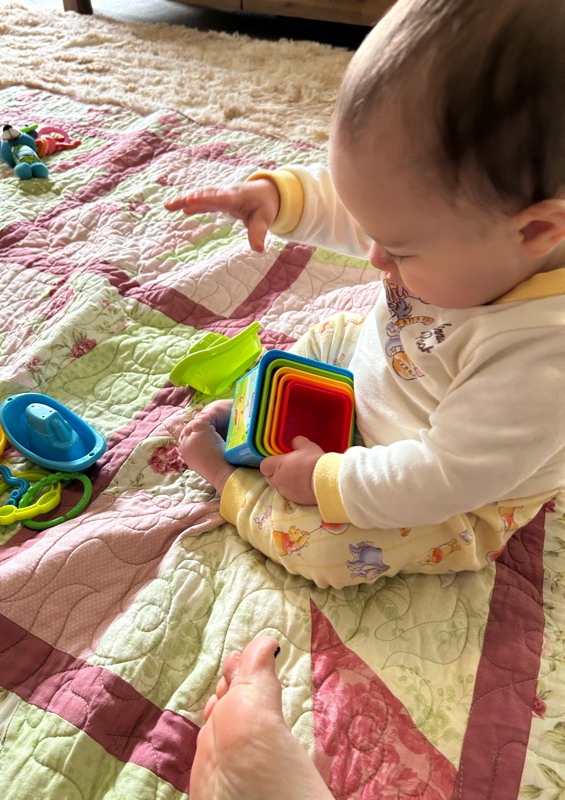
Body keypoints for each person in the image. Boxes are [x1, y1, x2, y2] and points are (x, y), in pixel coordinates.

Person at [168, 0, 565, 795]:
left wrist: (326, 480)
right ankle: (279, 423)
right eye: (372, 229)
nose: (374, 253)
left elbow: (445, 477)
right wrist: (281, 199)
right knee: (321, 339)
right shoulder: (469, 230)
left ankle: (232, 486)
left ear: (536, 234)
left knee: (331, 552)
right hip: (393, 369)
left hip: (455, 487)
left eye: (401, 249)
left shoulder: (543, 354)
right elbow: (371, 211)